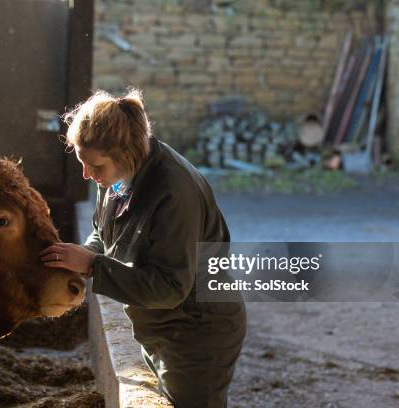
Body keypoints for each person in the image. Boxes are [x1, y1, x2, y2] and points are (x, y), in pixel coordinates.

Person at [40, 89, 246, 408]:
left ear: (126, 154)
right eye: (81, 162)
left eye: (94, 166)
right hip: (159, 323)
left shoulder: (174, 193)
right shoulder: (118, 176)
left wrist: (94, 265)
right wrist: (76, 259)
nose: (86, 175)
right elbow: (102, 231)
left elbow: (170, 287)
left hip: (196, 329)